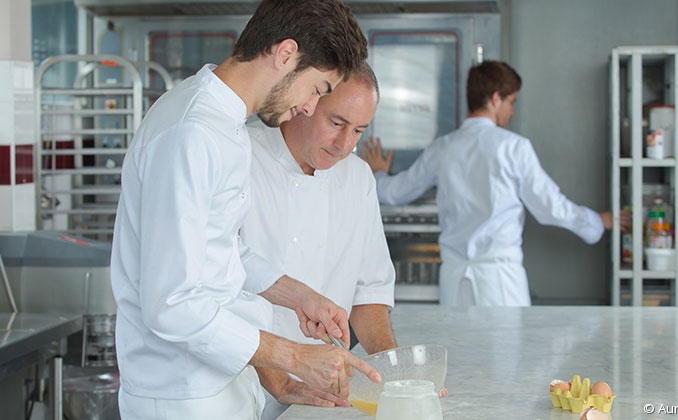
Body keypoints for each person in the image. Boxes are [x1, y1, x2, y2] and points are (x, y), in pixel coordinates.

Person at [110, 1, 381, 419]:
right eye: (317, 89)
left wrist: (298, 296)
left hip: (222, 382)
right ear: (286, 54)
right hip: (183, 394)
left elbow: (220, 253)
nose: (310, 107)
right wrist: (293, 356)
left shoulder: (224, 123)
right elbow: (171, 302)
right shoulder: (192, 132)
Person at [360, 60, 631, 308]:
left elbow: (397, 192)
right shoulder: (514, 148)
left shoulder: (442, 148)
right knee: (508, 360)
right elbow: (551, 207)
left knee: (460, 357)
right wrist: (599, 220)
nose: (512, 111)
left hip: (455, 284)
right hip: (500, 283)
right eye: (510, 102)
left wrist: (379, 174)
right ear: (495, 99)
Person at [242, 62, 396, 420]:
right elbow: (219, 290)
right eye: (337, 123)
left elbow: (368, 295)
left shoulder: (357, 177)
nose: (345, 145)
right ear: (306, 100)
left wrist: (393, 375)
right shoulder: (243, 156)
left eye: (358, 130)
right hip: (244, 385)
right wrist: (278, 377)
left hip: (325, 394)